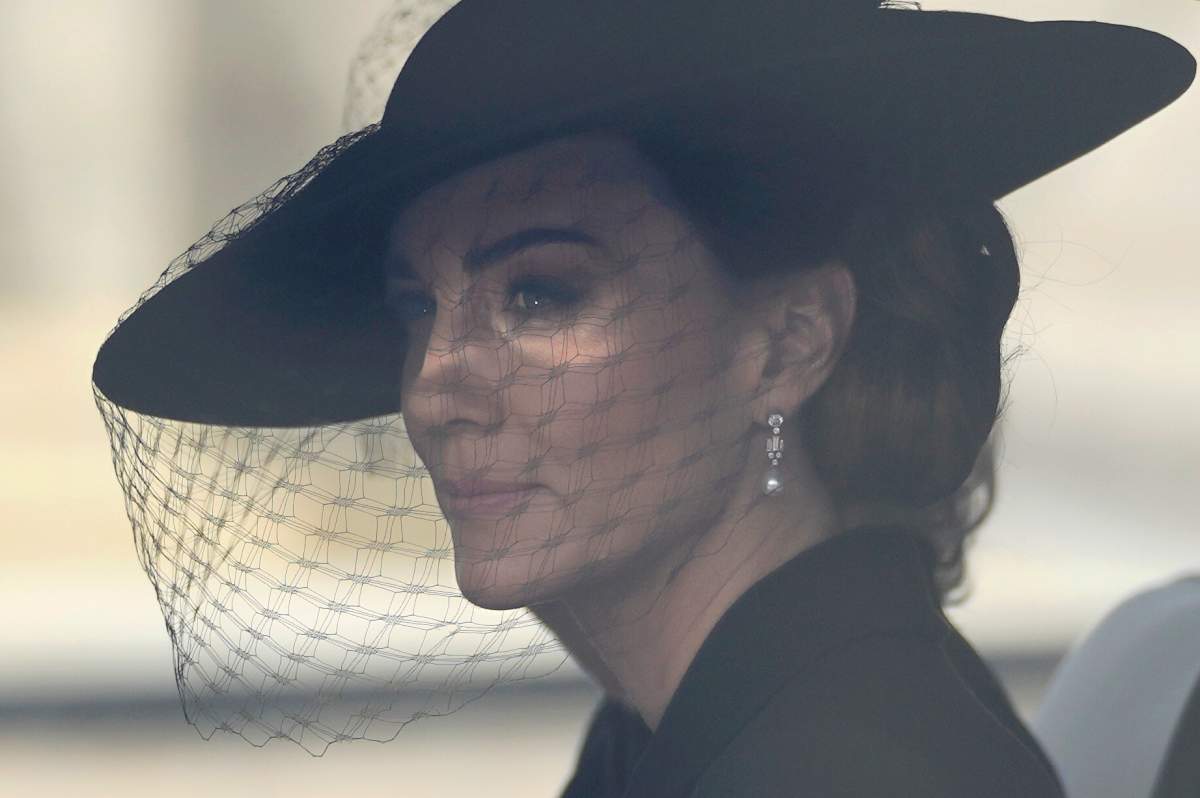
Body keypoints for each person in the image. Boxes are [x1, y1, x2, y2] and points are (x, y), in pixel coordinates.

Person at [90, 0, 1195, 794]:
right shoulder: (680, 725)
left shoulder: (855, 764)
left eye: (539, 295)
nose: (434, 390)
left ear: (787, 346)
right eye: (417, 308)